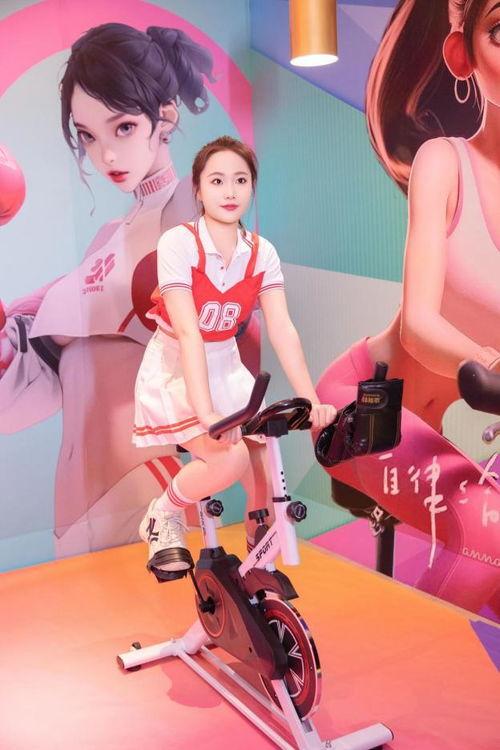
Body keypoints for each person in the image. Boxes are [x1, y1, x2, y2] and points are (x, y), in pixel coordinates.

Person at [0, 23, 258, 555]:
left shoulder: (189, 213)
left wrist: (259, 499)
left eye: (122, 127)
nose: (107, 156)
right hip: (74, 510)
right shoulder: (106, 241)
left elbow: (236, 350)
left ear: (166, 117)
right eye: (88, 136)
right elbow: (41, 383)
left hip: (144, 492)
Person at [316, 0, 500, 617]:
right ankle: (419, 673)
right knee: (487, 535)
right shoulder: (444, 162)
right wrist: (489, 364)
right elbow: (419, 327)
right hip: (365, 406)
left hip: (440, 430)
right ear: (462, 55)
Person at [133, 135, 336, 576]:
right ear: (198, 189)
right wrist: (206, 411)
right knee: (230, 458)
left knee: (264, 473)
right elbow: (188, 331)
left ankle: (254, 569)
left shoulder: (262, 253)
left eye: (240, 180)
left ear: (252, 187)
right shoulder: (179, 243)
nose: (230, 191)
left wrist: (311, 398)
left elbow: (282, 327)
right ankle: (162, 513)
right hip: (178, 367)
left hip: (226, 365)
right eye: (217, 180)